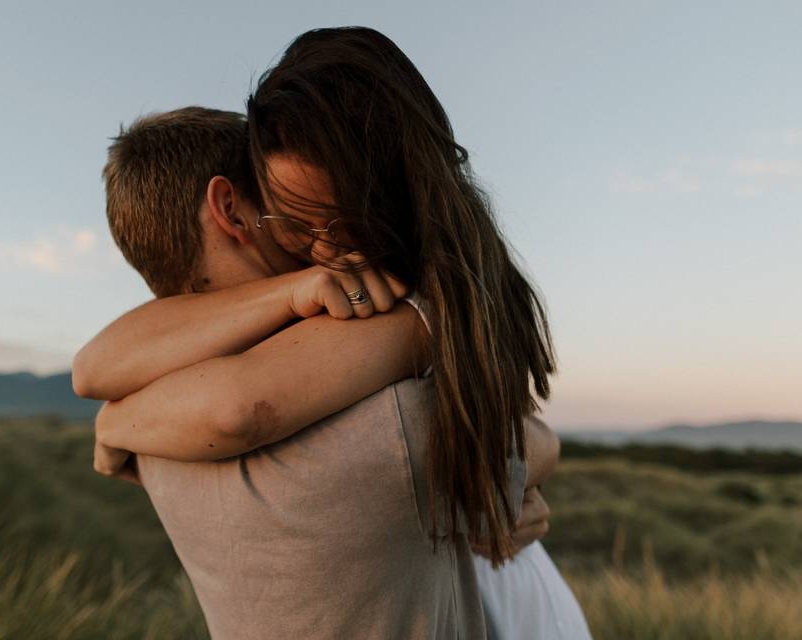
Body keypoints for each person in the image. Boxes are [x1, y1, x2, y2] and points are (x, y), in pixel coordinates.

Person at [74, 107, 559, 639]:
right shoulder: (368, 412)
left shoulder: (153, 428)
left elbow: (97, 368)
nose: (318, 240)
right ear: (231, 209)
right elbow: (524, 443)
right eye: (291, 213)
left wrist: (114, 421)